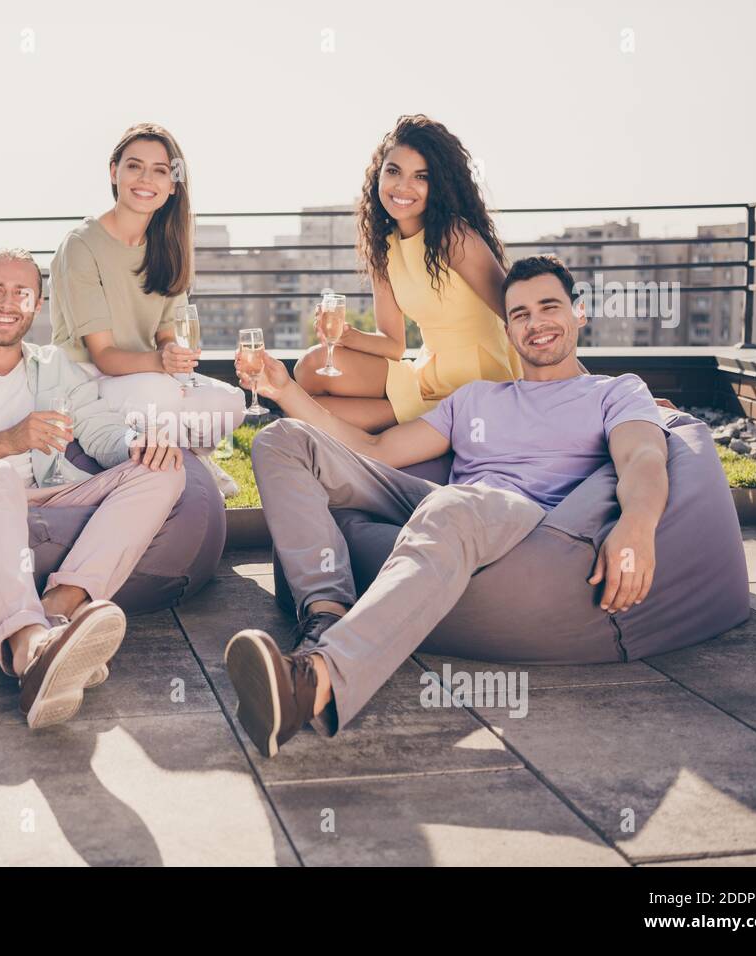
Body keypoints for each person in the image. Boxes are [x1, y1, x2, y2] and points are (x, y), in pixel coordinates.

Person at [226, 255, 670, 757]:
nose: (536, 322)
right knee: (282, 441)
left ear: (579, 313)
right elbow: (375, 452)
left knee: (455, 506)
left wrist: (638, 523)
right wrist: (284, 390)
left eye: (550, 306)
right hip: (448, 507)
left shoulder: (614, 391)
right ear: (507, 330)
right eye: (520, 314)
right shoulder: (476, 398)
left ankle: (315, 682)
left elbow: (644, 457)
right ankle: (327, 614)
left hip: (523, 519)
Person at [0, 248, 186, 729]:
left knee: (165, 469)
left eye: (21, 292)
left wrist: (138, 443)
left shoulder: (54, 365)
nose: (7, 303)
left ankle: (59, 609)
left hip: (41, 493)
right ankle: (26, 647)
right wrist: (5, 442)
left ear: (37, 306)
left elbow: (101, 432)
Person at [49, 122, 246, 496]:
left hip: (145, 371)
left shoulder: (166, 244)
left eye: (160, 171)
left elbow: (165, 331)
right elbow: (103, 355)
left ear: (173, 185)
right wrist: (161, 363)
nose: (146, 179)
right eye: (134, 166)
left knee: (230, 403)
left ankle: (192, 459)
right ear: (114, 172)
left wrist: (170, 350)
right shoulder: (81, 246)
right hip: (90, 376)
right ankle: (189, 477)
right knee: (163, 396)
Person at [292, 115, 523, 433]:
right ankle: (421, 419)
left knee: (313, 411)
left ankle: (428, 421)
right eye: (394, 171)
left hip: (481, 380)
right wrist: (346, 336)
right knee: (309, 372)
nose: (402, 187)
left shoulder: (454, 236)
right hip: (427, 374)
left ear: (438, 184)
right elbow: (393, 345)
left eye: (421, 176)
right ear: (378, 175)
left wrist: (573, 385)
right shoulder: (383, 248)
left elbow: (518, 316)